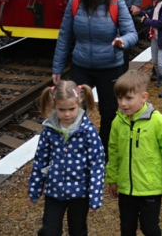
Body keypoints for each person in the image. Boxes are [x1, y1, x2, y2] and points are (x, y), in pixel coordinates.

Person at [52, 0, 138, 159]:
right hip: (81, 67)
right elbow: (64, 36)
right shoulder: (75, 2)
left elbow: (131, 32)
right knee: (75, 110)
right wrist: (57, 68)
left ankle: (104, 153)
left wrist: (122, 41)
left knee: (109, 113)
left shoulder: (117, 1)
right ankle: (78, 150)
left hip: (110, 67)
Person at [107, 71, 162, 236]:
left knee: (150, 228)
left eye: (128, 98)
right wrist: (112, 178)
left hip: (150, 188)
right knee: (127, 228)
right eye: (119, 98)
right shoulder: (118, 122)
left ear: (144, 97)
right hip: (126, 188)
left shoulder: (157, 121)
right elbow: (113, 151)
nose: (123, 103)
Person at [28, 81, 105, 236]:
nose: (67, 114)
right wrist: (35, 190)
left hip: (80, 193)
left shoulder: (88, 132)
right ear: (54, 105)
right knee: (49, 231)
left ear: (79, 103)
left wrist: (95, 196)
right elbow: (40, 161)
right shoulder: (49, 131)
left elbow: (97, 165)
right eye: (62, 110)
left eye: (71, 109)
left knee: (77, 231)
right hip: (54, 191)